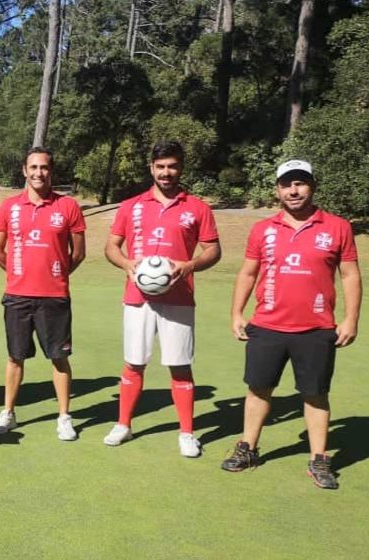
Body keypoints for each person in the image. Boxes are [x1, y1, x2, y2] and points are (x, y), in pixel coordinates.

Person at [222, 159, 362, 489]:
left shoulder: (338, 227)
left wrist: (351, 318)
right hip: (268, 325)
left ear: (312, 186)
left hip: (316, 329)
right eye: (287, 183)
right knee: (258, 389)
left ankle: (319, 459)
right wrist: (236, 313)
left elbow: (350, 275)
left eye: (300, 182)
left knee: (315, 394)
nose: (293, 189)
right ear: (278, 189)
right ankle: (248, 448)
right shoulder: (262, 229)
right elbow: (248, 273)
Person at [102, 140, 221, 457]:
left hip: (179, 299)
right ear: (151, 168)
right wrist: (128, 264)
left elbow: (213, 251)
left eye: (172, 166)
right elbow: (111, 247)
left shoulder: (197, 208)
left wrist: (190, 265)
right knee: (133, 363)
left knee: (180, 366)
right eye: (160, 166)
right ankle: (124, 425)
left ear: (181, 167)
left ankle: (186, 432)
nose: (166, 172)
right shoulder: (131, 206)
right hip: (137, 298)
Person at [0, 147, 86, 440]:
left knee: (58, 357)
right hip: (17, 296)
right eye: (33, 167)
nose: (38, 172)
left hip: (54, 297)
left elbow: (78, 253)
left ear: (50, 171)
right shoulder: (8, 207)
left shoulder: (68, 207)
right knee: (15, 357)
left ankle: (64, 417)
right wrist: (20, 273)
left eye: (43, 167)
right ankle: (8, 413)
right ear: (24, 171)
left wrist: (55, 274)